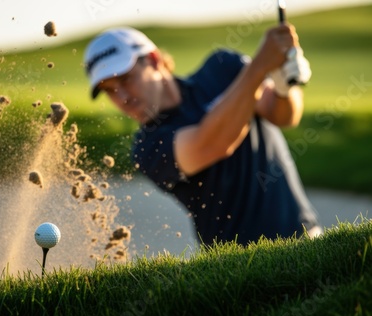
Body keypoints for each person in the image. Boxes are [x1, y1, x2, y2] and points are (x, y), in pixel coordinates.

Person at [83, 24, 323, 246]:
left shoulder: (222, 68)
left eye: (126, 79)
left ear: (154, 60)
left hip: (305, 235)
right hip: (239, 269)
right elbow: (215, 144)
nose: (122, 97)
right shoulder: (148, 148)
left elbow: (283, 116)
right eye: (110, 91)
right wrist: (259, 67)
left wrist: (284, 87)